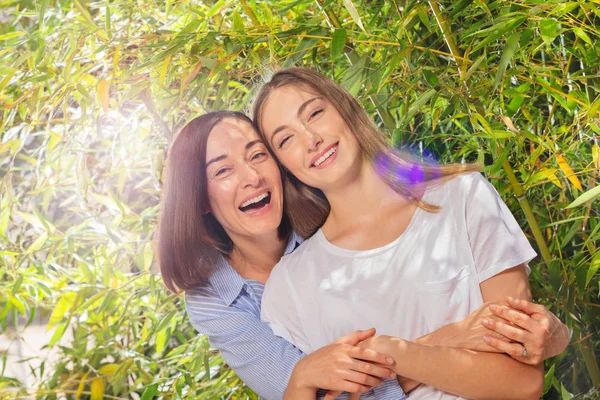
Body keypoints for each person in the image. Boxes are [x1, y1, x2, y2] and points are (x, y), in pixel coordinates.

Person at [156, 109, 570, 399]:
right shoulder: (214, 299)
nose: (251, 177)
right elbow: (316, 393)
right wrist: (452, 336)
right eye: (223, 170)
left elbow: (516, 355)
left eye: (258, 155)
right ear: (199, 199)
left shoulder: (336, 221)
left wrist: (553, 336)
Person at [253, 67, 570, 399]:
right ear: (282, 165)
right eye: (286, 139)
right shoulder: (290, 285)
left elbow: (521, 383)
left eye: (315, 113)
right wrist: (436, 343)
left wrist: (392, 352)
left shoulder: (463, 197)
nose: (311, 139)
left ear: (344, 107)